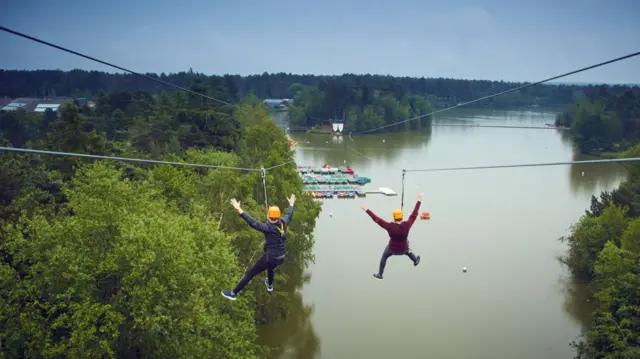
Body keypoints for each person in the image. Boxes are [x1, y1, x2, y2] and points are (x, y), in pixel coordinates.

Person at [221, 194, 296, 300]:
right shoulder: (283, 222)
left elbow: (253, 223)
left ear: (269, 217)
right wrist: (291, 204)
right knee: (271, 268)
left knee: (251, 273)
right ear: (278, 216)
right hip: (281, 257)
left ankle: (233, 293)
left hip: (271, 258)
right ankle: (269, 285)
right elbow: (289, 214)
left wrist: (239, 210)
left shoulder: (267, 228)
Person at [361, 193, 423, 279]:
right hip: (403, 249)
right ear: (402, 216)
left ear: (394, 217)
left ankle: (380, 274)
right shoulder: (407, 225)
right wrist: (419, 200)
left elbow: (377, 220)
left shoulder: (390, 226)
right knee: (408, 250)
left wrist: (366, 209)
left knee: (384, 256)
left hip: (392, 249)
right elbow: (414, 214)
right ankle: (415, 260)